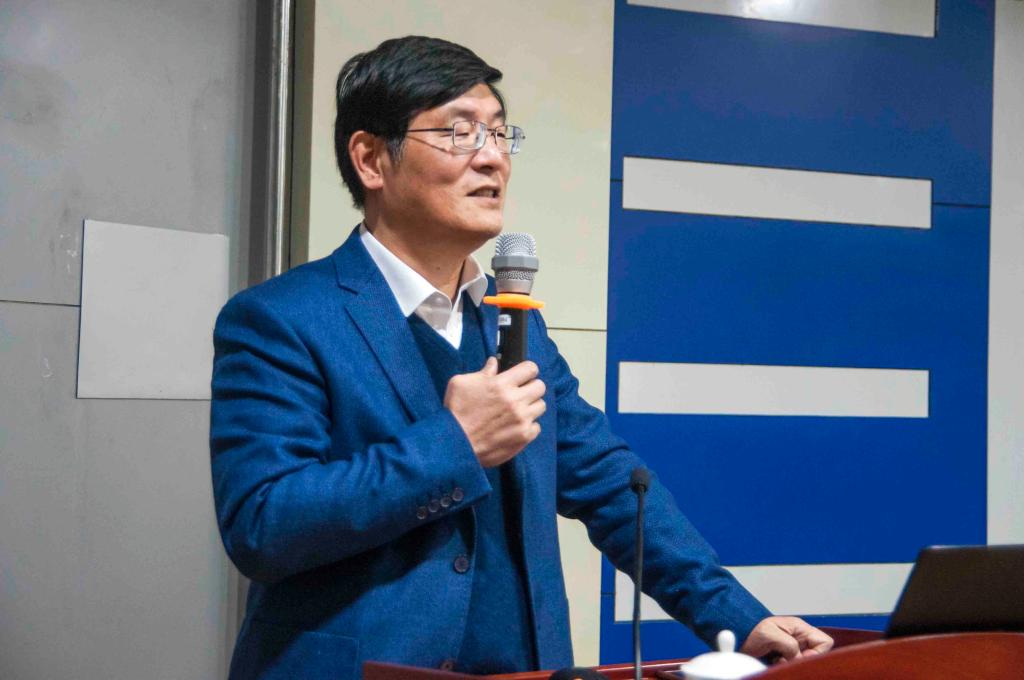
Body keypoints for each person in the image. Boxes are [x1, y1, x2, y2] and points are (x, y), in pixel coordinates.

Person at [210, 35, 833, 680]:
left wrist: (738, 618)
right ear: (371, 159)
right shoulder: (281, 319)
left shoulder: (512, 323)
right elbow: (263, 524)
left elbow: (612, 485)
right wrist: (454, 443)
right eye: (459, 133)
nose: (492, 158)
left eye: (500, 133)